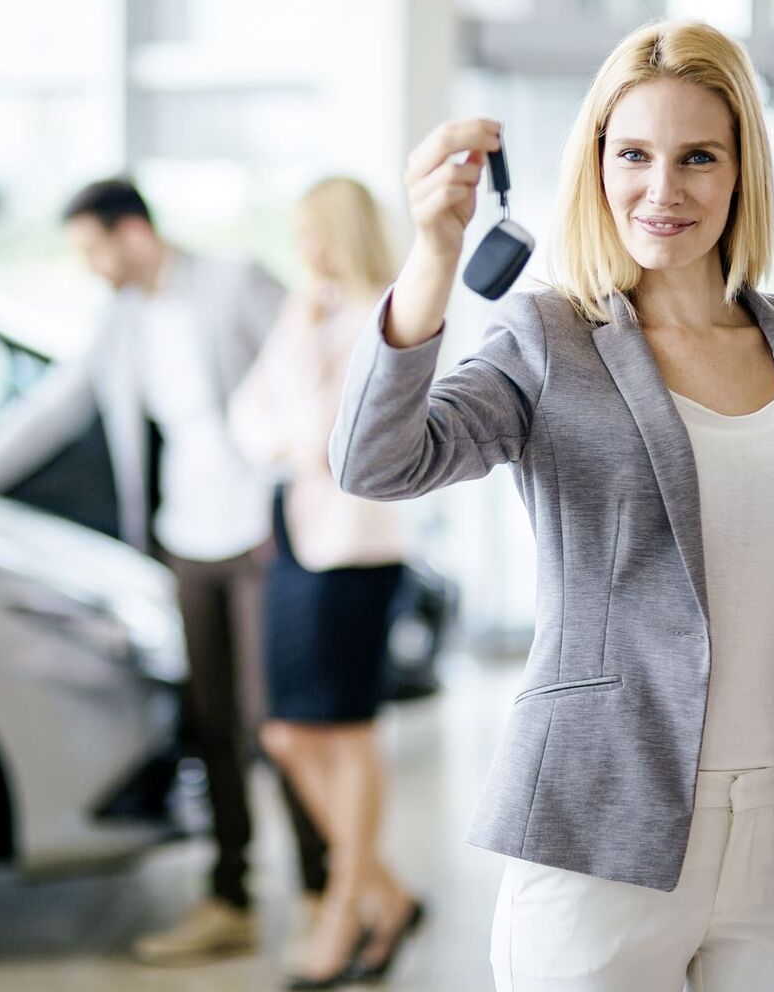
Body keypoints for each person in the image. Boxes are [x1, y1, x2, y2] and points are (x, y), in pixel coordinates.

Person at [328, 19, 774, 991]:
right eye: (634, 155)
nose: (664, 190)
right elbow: (376, 462)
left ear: (742, 171)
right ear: (597, 164)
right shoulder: (549, 337)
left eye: (699, 156)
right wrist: (434, 257)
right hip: (598, 820)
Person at [0, 178, 330, 965]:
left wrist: (315, 478)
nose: (89, 267)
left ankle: (326, 891)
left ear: (133, 232)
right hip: (187, 537)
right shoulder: (122, 320)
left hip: (263, 531)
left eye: (93, 249)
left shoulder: (232, 281)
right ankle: (231, 896)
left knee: (276, 723)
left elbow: (315, 367)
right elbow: (52, 406)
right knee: (209, 723)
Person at [228, 177, 425, 989]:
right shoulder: (307, 311)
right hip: (298, 534)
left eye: (314, 232)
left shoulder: (386, 316)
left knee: (345, 732)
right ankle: (385, 892)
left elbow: (329, 439)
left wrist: (294, 418)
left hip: (358, 547)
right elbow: (246, 417)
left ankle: (347, 905)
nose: (304, 250)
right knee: (285, 733)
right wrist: (292, 420)